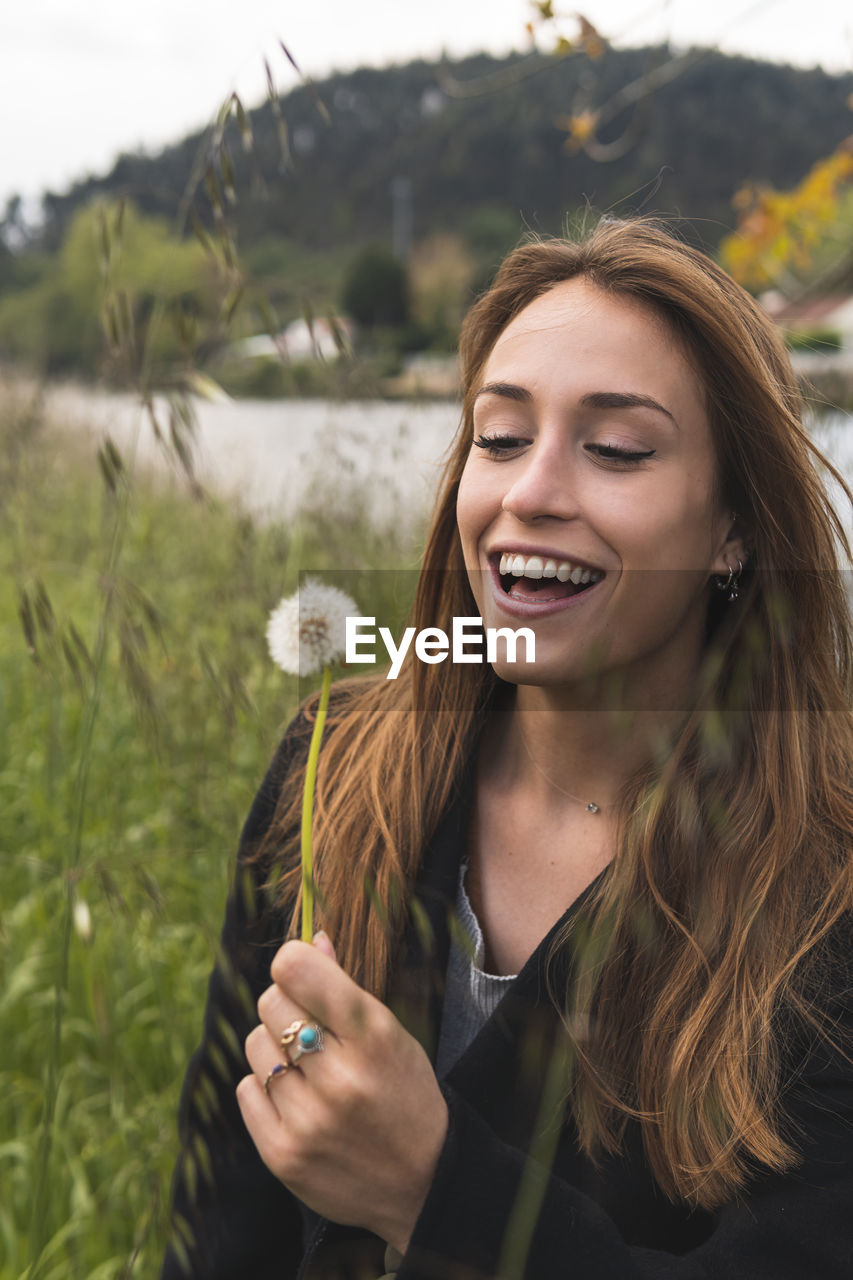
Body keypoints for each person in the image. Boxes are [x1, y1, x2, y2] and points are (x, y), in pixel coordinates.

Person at [161, 218, 853, 1280]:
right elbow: (220, 1222)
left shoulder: (826, 879)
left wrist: (434, 1190)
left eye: (616, 448)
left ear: (735, 528)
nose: (529, 491)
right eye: (498, 436)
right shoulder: (334, 766)